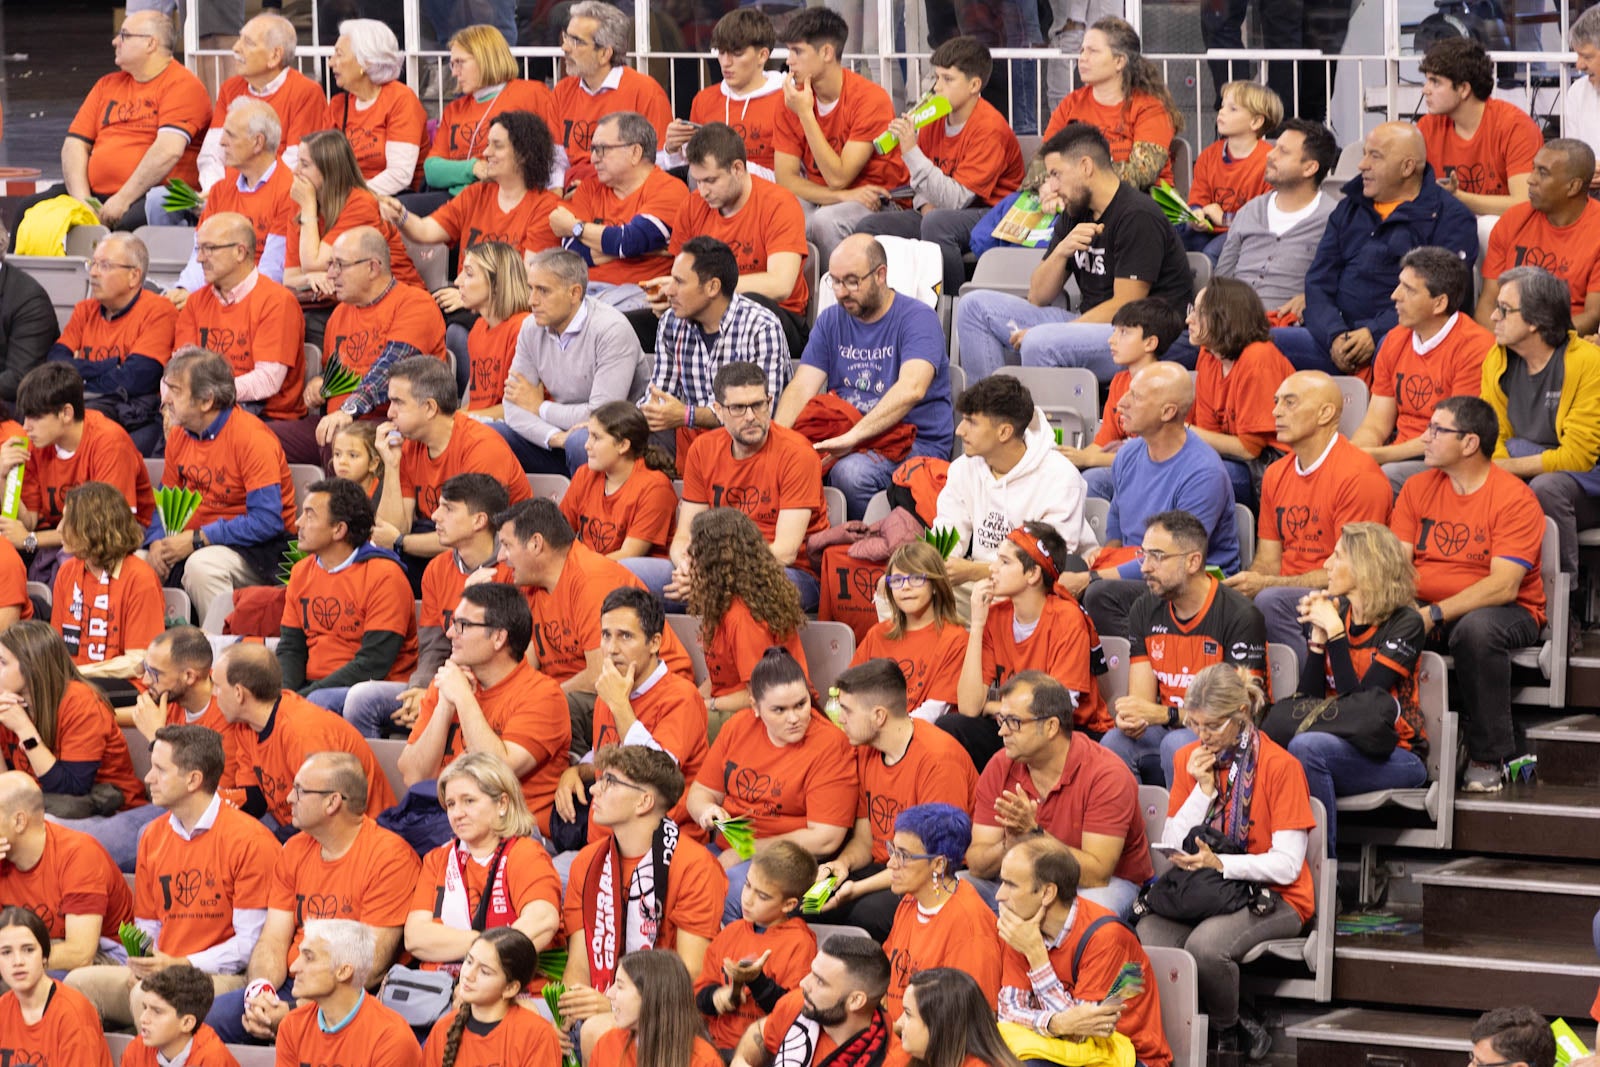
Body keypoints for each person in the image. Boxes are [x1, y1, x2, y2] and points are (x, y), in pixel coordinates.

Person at [1137, 664, 1315, 1061]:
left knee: (1205, 947)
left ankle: (1226, 1031)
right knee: (1147, 934)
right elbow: (1170, 842)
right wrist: (1201, 793)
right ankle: (1183, 1032)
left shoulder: (1280, 766)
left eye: (1213, 726)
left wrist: (1221, 865)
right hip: (1207, 890)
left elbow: (1287, 866)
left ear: (1241, 713)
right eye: (1195, 725)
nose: (1203, 737)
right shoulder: (1190, 757)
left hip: (1276, 895)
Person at [65, 725, 280, 1025]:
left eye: (160, 770)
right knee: (76, 986)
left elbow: (248, 947)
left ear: (193, 780)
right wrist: (144, 966)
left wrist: (180, 964)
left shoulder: (251, 841)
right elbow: (148, 926)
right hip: (164, 972)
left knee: (153, 999)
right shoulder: (152, 835)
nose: (148, 778)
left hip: (221, 977)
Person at [953, 123, 1194, 385]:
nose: (1052, 186)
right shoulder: (1075, 211)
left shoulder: (1137, 215)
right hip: (1088, 323)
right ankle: (992, 414)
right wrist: (1061, 252)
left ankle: (1035, 424)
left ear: (1086, 167)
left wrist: (1056, 331)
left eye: (1056, 174)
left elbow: (1126, 307)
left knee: (1040, 341)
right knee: (973, 307)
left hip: (1141, 335)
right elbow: (1037, 296)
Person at [206, 752, 419, 1044]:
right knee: (207, 1023)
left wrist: (295, 1013)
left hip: (347, 998)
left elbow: (368, 969)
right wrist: (261, 993)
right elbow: (273, 940)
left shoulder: (390, 858)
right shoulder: (293, 849)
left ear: (333, 802)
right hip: (293, 984)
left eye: (300, 791)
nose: (288, 799)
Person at [560, 745, 726, 1055]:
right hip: (601, 1001)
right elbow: (578, 965)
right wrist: (566, 1011)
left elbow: (689, 972)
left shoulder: (694, 865)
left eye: (609, 781)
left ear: (644, 801)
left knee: (599, 1029)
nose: (594, 788)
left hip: (666, 1012)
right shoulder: (586, 862)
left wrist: (617, 1003)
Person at [1060, 362, 1241, 642]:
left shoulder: (1204, 473)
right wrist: (1104, 555)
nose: (1121, 403)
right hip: (1137, 566)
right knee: (1063, 569)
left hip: (1186, 578)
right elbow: (1118, 522)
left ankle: (1147, 666)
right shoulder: (1128, 454)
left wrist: (1094, 578)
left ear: (1168, 412)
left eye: (1136, 397)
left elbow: (1175, 557)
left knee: (1099, 593)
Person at [775, 234, 953, 518]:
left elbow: (912, 388)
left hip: (914, 441)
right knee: (787, 460)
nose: (842, 291)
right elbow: (800, 388)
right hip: (848, 431)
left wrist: (853, 437)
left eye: (852, 281)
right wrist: (776, 441)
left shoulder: (918, 318)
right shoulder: (831, 319)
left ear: (880, 274)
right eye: (835, 281)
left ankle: (863, 544)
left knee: (851, 473)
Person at [1281, 122, 1478, 377]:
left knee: (1392, 345)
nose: (1362, 165)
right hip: (1335, 339)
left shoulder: (1451, 218)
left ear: (1407, 167)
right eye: (1364, 153)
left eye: (1375, 156)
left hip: (1401, 339)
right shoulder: (1349, 208)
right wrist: (1334, 336)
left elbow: (1443, 296)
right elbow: (1318, 282)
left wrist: (1374, 332)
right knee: (1258, 346)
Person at [628, 361, 828, 612]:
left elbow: (785, 552)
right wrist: (687, 567)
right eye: (738, 408)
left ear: (769, 401)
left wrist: (713, 578)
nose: (750, 417)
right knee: (623, 575)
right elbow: (683, 536)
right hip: (711, 568)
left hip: (786, 572)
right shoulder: (703, 450)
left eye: (758, 405)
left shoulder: (797, 453)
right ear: (719, 411)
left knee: (737, 598)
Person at [1285, 523, 1430, 854]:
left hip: (1397, 754)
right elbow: (1308, 703)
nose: (1326, 565)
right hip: (1336, 744)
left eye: (1337, 557)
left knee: (1307, 748)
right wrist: (1319, 642)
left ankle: (1323, 874)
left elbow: (1362, 711)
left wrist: (1335, 632)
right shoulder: (1340, 613)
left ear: (1365, 566)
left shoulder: (1405, 623)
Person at [1227, 372, 1393, 662]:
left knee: (1270, 601)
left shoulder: (1359, 475)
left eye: (1290, 403)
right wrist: (1248, 585)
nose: (1276, 411)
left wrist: (1266, 587)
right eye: (1276, 402)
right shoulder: (1276, 473)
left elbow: (1353, 573)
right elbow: (1268, 561)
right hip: (1285, 594)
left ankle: (1316, 691)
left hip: (1345, 597)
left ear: (1325, 413)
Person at [491, 499, 696, 732]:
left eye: (507, 545)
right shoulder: (530, 583)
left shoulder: (591, 580)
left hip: (648, 695)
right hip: (587, 695)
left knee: (546, 711)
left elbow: (601, 675)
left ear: (536, 544)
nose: (501, 557)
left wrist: (536, 699)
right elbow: (527, 665)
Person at [688, 647, 856, 922]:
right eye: (779, 709)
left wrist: (745, 849)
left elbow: (825, 839)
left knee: (729, 891)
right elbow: (700, 793)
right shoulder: (737, 728)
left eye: (801, 705)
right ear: (754, 706)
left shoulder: (829, 745)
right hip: (728, 847)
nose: (794, 718)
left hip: (792, 861)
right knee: (669, 874)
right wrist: (706, 811)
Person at [814, 659, 978, 940]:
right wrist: (841, 865)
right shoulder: (867, 749)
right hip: (883, 868)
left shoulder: (938, 761)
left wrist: (857, 888)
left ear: (879, 716)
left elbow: (929, 861)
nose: (840, 719)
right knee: (806, 902)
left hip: (929, 875)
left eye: (847, 710)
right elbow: (865, 842)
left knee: (865, 914)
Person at [966, 672, 1150, 920]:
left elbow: (1097, 874)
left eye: (1014, 722)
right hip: (1024, 877)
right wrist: (1009, 844)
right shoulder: (1000, 765)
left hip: (1102, 886)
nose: (1002, 732)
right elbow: (976, 864)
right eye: (1002, 720)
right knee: (956, 890)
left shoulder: (1107, 775)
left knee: (1077, 916)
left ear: (1051, 726)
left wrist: (1033, 835)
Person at [1106, 510, 1269, 787]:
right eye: (1143, 555)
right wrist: (1132, 717)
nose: (1145, 567)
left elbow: (1237, 715)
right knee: (1115, 741)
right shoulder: (1144, 609)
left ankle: (1191, 829)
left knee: (1177, 744)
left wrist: (1166, 714)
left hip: (1225, 738)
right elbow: (1143, 703)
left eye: (1157, 556)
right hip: (1171, 731)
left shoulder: (1240, 615)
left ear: (1193, 561)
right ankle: (1132, 829)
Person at [853, 36, 1025, 297]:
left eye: (948, 79)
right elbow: (920, 180)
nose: (937, 87)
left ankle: (952, 306)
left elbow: (957, 200)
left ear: (974, 85)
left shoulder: (990, 128)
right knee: (869, 228)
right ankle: (885, 307)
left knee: (938, 223)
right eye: (937, 77)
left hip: (992, 212)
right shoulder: (933, 117)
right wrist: (924, 204)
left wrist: (910, 150)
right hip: (936, 210)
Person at [344, 473, 510, 740]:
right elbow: (434, 645)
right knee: (363, 699)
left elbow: (506, 654)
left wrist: (438, 691)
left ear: (479, 520)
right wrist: (422, 688)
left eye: (448, 509)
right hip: (441, 684)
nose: (434, 516)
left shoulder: (512, 570)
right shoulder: (437, 568)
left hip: (489, 691)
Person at [400, 583, 570, 839]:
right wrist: (445, 706)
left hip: (513, 830)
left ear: (499, 637)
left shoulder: (543, 695)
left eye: (462, 626)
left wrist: (463, 698)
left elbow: (497, 771)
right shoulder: (448, 683)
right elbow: (414, 775)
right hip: (444, 819)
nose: (449, 634)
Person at [994, 836, 1170, 1067]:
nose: (999, 895)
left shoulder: (1108, 937)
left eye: (1011, 885)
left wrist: (1037, 958)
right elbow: (1009, 1012)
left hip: (1131, 1056)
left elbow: (1080, 1036)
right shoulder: (1022, 928)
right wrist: (1054, 1023)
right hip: (1069, 1051)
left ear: (1047, 893)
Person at [146, 347, 297, 615]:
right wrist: (157, 542)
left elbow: (267, 521)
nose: (165, 399)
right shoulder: (180, 435)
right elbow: (166, 502)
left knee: (202, 567)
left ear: (206, 401)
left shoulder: (252, 439)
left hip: (259, 549)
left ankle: (224, 647)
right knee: (135, 564)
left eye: (176, 391)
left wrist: (197, 539)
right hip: (194, 541)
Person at [552, 586, 709, 842]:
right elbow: (611, 756)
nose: (612, 649)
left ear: (655, 643)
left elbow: (657, 779)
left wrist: (619, 705)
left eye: (625, 636)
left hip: (657, 847)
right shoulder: (611, 691)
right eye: (606, 635)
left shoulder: (681, 697)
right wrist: (579, 771)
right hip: (603, 844)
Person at [33, 11, 211, 233]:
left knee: (127, 225)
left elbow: (168, 151)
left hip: (153, 195)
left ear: (150, 43)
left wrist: (123, 198)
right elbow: (74, 145)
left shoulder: (183, 85)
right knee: (28, 210)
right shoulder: (107, 84)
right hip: (96, 195)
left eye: (124, 35)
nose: (115, 41)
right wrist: (83, 201)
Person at [949, 525, 1111, 769]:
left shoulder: (1067, 618)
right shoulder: (994, 616)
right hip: (1016, 724)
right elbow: (970, 706)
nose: (992, 568)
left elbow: (1056, 711)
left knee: (1031, 738)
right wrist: (978, 623)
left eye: (1004, 562)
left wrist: (993, 705)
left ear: (1033, 574)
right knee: (953, 728)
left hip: (1069, 731)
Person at [1480, 267, 1600, 578]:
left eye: (1504, 310)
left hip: (1588, 483)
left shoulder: (1588, 363)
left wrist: (1506, 469)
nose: (1493, 317)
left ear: (1536, 321)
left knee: (1545, 488)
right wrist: (1500, 473)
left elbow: (1579, 457)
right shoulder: (1498, 359)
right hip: (1527, 465)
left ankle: (1563, 600)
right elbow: (1494, 437)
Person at [0, 621, 152, 868]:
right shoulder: (9, 703)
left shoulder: (79, 703)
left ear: (30, 668)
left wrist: (24, 730)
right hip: (42, 809)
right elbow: (6, 788)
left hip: (107, 812)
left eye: (3, 663)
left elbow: (72, 787)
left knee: (35, 835)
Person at [772, 7, 910, 267]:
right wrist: (840, 197)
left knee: (825, 222)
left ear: (826, 53)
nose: (789, 60)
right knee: (782, 210)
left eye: (797, 51)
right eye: (789, 51)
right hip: (834, 196)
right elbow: (786, 179)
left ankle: (839, 299)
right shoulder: (791, 101)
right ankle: (797, 301)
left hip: (882, 199)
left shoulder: (870, 98)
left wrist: (805, 114)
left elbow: (839, 177)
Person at [1350, 247, 1495, 494]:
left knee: (1384, 476)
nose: (1395, 296)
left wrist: (1380, 456)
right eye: (1399, 285)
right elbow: (1376, 423)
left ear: (1439, 303)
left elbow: (1449, 436)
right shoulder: (1394, 340)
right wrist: (1356, 452)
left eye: (1408, 290)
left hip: (1448, 459)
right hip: (1397, 455)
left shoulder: (1476, 347)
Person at [213, 643, 397, 831]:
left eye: (218, 687)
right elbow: (256, 798)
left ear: (239, 693)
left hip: (353, 833)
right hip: (299, 821)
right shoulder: (246, 727)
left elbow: (324, 813)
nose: (214, 694)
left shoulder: (302, 731)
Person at [300, 226, 448, 461]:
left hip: (391, 425)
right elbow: (340, 374)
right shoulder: (339, 314)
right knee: (263, 440)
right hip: (337, 423)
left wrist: (347, 410)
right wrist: (322, 383)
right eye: (330, 265)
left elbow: (390, 371)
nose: (330, 274)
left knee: (340, 442)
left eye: (340, 265)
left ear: (372, 267)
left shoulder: (415, 303)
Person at [405, 753, 562, 975]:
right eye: (451, 804)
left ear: (502, 803)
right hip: (439, 991)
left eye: (469, 801)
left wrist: (477, 968)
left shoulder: (525, 853)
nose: (457, 814)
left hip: (510, 988)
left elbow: (541, 921)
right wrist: (486, 941)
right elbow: (416, 937)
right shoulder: (437, 859)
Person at [376, 355, 532, 576]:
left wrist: (401, 542)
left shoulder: (481, 447)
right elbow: (388, 533)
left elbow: (472, 535)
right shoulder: (409, 444)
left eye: (398, 402)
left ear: (430, 408)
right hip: (443, 539)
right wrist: (391, 465)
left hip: (495, 554)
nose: (390, 413)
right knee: (382, 565)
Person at [497, 249, 648, 475]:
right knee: (490, 435)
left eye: (543, 291)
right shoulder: (531, 327)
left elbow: (603, 417)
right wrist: (555, 438)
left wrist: (540, 408)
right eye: (531, 288)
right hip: (562, 437)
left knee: (582, 441)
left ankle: (588, 508)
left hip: (616, 443)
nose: (532, 301)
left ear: (574, 293)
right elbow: (514, 405)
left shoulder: (611, 329)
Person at [2, 362, 154, 581]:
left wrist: (30, 540)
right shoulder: (37, 444)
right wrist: (2, 478)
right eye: (24, 417)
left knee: (73, 560)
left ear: (66, 413)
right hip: (65, 535)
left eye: (35, 417)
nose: (25, 427)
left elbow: (104, 529)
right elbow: (29, 522)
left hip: (119, 534)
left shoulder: (109, 443)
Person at [671, 123, 810, 356]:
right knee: (635, 324)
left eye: (711, 181)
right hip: (706, 311)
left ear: (737, 168)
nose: (703, 191)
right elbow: (683, 275)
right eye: (698, 181)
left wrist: (707, 289)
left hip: (779, 318)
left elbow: (780, 286)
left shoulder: (779, 203)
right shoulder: (693, 205)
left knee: (750, 301)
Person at [280, 477, 418, 710]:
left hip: (371, 691)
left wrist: (301, 699)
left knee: (318, 701)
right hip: (311, 689)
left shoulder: (385, 576)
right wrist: (283, 696)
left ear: (339, 529)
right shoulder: (301, 571)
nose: (298, 522)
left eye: (310, 515)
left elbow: (373, 664)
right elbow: (291, 648)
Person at [386, 110, 562, 290]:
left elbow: (526, 278)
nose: (486, 152)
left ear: (523, 154)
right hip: (466, 294)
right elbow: (425, 231)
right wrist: (400, 215)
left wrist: (473, 296)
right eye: (487, 144)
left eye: (497, 146)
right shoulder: (475, 194)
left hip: (506, 306)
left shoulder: (546, 207)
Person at [648, 235, 793, 447]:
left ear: (713, 287)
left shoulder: (761, 327)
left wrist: (688, 415)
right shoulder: (671, 322)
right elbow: (658, 395)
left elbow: (760, 414)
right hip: (694, 442)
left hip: (751, 443)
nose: (668, 291)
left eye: (678, 282)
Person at [1211, 118, 1340, 348]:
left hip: (1287, 329)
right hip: (1230, 324)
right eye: (1274, 147)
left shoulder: (1334, 218)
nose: (1270, 155)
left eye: (1283, 152)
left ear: (1310, 167)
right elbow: (1222, 279)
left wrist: (1311, 300)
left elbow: (1341, 284)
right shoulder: (1250, 210)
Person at [46, 232, 176, 453]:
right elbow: (55, 366)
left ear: (134, 276)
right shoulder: (85, 310)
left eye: (104, 266)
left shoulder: (159, 311)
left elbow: (137, 379)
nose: (94, 273)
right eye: (93, 264)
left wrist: (81, 375)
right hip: (84, 405)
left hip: (134, 416)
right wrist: (112, 365)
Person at [173, 210, 308, 424]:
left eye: (209, 249)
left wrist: (204, 396)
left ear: (240, 252)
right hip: (205, 410)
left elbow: (268, 381)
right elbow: (178, 369)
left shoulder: (277, 301)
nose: (199, 258)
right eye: (199, 249)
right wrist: (170, 403)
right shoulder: (196, 302)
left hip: (269, 418)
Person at [686, 508, 810, 725]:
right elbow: (720, 678)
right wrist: (691, 699)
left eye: (695, 549)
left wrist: (708, 706)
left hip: (762, 715)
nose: (689, 555)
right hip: (733, 705)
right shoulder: (722, 603)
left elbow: (759, 694)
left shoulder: (743, 616)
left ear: (712, 559)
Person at [0, 773, 134, 971]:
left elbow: (80, 954)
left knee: (28, 980)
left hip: (113, 958)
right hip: (37, 950)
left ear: (19, 822)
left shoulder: (79, 855)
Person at [880, 804, 1000, 1021]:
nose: (891, 863)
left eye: (903, 856)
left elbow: (972, 1017)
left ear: (938, 864)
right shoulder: (909, 901)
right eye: (892, 851)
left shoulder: (970, 923)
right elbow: (886, 972)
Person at [694, 843, 819, 1052]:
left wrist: (757, 981)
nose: (747, 899)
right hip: (718, 1046)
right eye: (747, 885)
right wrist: (718, 997)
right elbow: (700, 994)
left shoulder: (800, 943)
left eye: (762, 896)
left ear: (788, 905)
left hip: (765, 1052)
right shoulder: (731, 933)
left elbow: (793, 1013)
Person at [1059, 298, 1186, 501]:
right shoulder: (1119, 381)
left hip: (1159, 472)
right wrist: (1075, 458)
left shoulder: (1166, 384)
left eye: (1124, 332)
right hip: (1124, 463)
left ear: (1150, 343)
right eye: (1115, 331)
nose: (1112, 340)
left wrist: (1090, 459)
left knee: (1094, 480)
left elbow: (1154, 455)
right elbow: (1103, 441)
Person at [551, 110, 689, 295]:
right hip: (583, 291)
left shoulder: (670, 189)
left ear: (635, 152)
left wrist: (575, 227)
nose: (593, 159)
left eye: (601, 149)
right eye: (593, 150)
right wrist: (629, 248)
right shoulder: (589, 189)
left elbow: (630, 242)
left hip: (638, 295)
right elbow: (572, 254)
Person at [1185, 278, 1296, 506]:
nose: (1188, 319)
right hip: (1239, 461)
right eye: (1191, 310)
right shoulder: (1209, 356)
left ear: (1224, 317)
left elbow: (1250, 449)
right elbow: (1209, 434)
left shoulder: (1258, 358)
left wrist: (1180, 430)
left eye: (1198, 313)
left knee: (1193, 477)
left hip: (1278, 465)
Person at [171, 99, 297, 299]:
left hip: (258, 302)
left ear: (258, 142)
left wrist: (221, 300)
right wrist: (184, 290)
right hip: (216, 295)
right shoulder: (221, 190)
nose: (221, 142)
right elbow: (199, 254)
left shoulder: (290, 192)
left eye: (230, 135)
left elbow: (272, 272)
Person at [1476, 140, 1600, 339]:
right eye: (1533, 169)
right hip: (1504, 340)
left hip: (1563, 343)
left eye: (1543, 173)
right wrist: (1505, 344)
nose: (1530, 180)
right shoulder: (1512, 220)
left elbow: (1592, 317)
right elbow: (1487, 304)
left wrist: (1532, 342)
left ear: (1573, 186)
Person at [50, 481, 165, 694]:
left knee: (70, 694)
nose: (58, 529)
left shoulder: (140, 577)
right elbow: (57, 648)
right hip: (74, 679)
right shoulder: (66, 572)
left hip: (129, 685)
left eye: (68, 520)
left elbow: (138, 661)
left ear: (93, 527)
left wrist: (79, 673)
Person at [423, 24, 562, 201]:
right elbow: (432, 169)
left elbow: (556, 150)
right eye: (452, 65)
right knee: (399, 211)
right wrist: (473, 168)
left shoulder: (532, 93)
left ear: (485, 58)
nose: (455, 73)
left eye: (460, 63)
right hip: (458, 198)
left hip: (506, 197)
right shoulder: (454, 109)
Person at [1040, 17, 1181, 191]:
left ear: (1119, 61)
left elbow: (1141, 175)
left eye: (1093, 51)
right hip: (1075, 200)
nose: (1082, 57)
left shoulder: (1150, 108)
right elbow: (1041, 163)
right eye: (1082, 50)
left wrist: (1072, 178)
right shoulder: (1070, 104)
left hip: (1140, 206)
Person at [283, 130, 422, 299]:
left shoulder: (360, 203)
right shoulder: (302, 201)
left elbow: (312, 263)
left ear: (329, 170)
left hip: (393, 298)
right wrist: (309, 278)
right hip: (343, 302)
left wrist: (308, 208)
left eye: (304, 164)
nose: (295, 171)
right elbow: (290, 278)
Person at [194, 13, 325, 192]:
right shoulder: (229, 88)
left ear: (275, 55)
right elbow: (211, 155)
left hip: (279, 196)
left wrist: (252, 193)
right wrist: (217, 191)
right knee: (159, 199)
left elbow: (296, 162)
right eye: (239, 39)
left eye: (248, 43)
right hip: (226, 192)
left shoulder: (306, 92)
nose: (236, 48)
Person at [551, 1, 673, 190]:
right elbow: (556, 161)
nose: (565, 48)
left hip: (623, 196)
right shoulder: (562, 91)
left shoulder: (646, 92)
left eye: (576, 41)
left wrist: (598, 189)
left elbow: (660, 163)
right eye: (566, 37)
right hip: (571, 197)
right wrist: (556, 195)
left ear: (605, 53)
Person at [1417, 37, 1543, 217]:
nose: (1425, 89)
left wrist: (1459, 198)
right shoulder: (1428, 126)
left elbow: (1524, 202)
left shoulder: (1516, 127)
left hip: (1504, 228)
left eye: (1435, 82)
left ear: (1464, 89)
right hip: (1448, 224)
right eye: (1427, 80)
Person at [274, 919, 424, 1067]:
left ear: (344, 971)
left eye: (308, 958)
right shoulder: (292, 1026)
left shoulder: (391, 1039)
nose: (293, 967)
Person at [730, 934, 893, 1067]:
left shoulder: (893, 1060)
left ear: (856, 1000)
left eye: (820, 981)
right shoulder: (799, 1004)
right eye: (811, 973)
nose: (804, 983)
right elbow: (761, 1030)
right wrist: (741, 1060)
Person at [850, 544, 968, 721]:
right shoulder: (877, 634)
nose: (905, 587)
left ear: (935, 585)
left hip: (920, 735)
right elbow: (850, 691)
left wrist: (889, 731)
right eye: (897, 580)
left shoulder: (956, 639)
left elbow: (935, 711)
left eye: (915, 578)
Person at [664, 9, 785, 181]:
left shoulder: (786, 100)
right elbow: (691, 171)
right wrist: (673, 150)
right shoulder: (704, 99)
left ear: (762, 55)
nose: (726, 63)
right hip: (709, 195)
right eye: (721, 52)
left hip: (767, 196)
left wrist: (725, 164)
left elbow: (790, 178)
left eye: (737, 54)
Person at [420, 927, 562, 1066]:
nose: (468, 975)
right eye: (469, 962)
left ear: (510, 988)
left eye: (484, 972)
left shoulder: (537, 1035)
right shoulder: (443, 1028)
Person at [321, 19, 428, 196]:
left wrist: (350, 198)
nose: (331, 63)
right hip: (343, 199)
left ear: (366, 62)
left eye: (339, 55)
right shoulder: (337, 105)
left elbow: (399, 175)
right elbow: (322, 165)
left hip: (390, 201)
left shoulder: (400, 99)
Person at [561, 401, 677, 559]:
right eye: (589, 435)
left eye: (596, 437)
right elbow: (558, 536)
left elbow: (629, 555)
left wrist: (578, 570)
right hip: (590, 568)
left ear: (623, 445)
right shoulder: (584, 474)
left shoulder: (655, 487)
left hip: (634, 575)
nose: (587, 445)